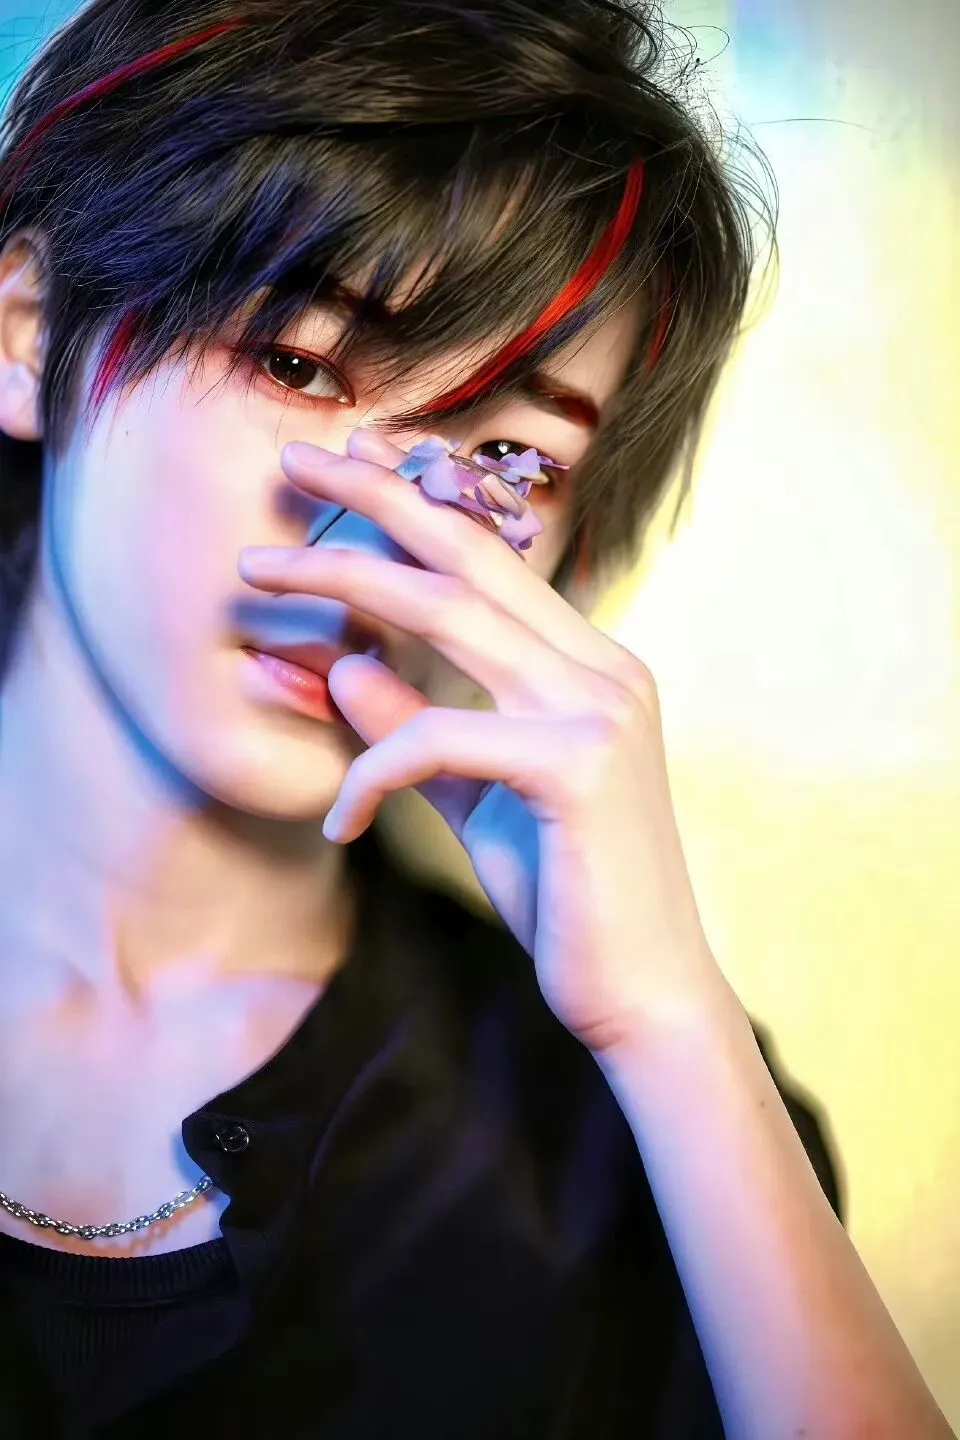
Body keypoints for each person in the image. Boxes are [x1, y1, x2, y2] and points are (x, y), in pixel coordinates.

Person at [0, 1, 951, 1436]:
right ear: (29, 334)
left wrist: (673, 1030)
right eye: (297, 363)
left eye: (510, 458)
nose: (388, 534)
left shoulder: (630, 1153)